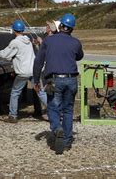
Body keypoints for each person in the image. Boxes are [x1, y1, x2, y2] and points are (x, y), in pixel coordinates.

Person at [33, 13, 83, 154]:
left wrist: (36, 80)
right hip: (72, 80)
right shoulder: (76, 42)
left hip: (54, 80)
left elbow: (38, 62)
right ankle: (67, 142)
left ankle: (57, 129)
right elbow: (80, 55)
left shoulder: (48, 41)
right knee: (68, 111)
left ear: (60, 26)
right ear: (72, 29)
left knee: (53, 108)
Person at [0, 20, 47, 122]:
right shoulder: (28, 41)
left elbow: (5, 54)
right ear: (23, 30)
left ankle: (13, 115)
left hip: (23, 72)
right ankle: (55, 111)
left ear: (13, 30)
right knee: (41, 92)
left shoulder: (15, 42)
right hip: (33, 71)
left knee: (15, 93)